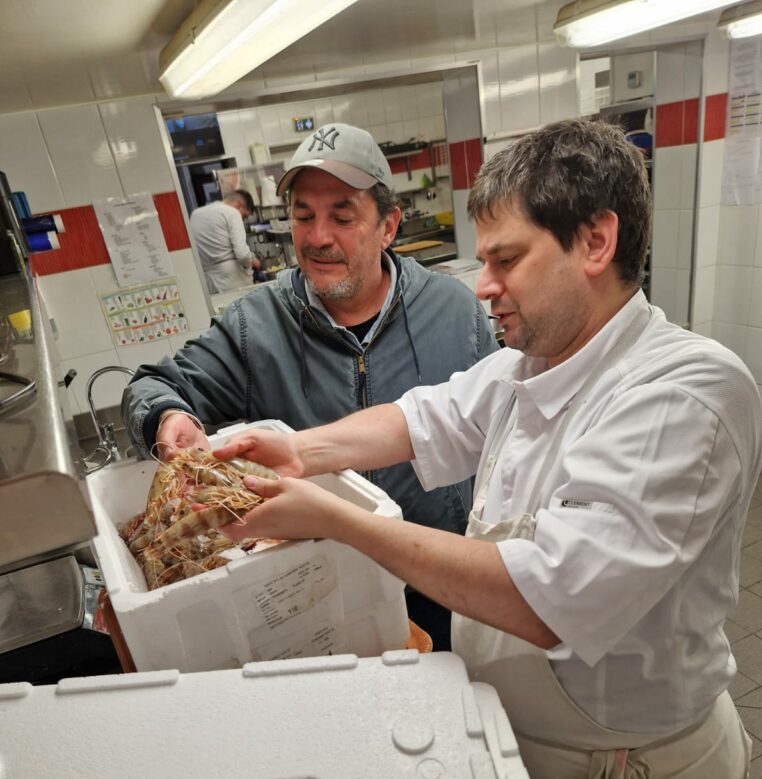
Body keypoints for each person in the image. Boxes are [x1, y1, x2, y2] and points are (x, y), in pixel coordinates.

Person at [206, 119, 762, 779]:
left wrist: (339, 520)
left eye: (505, 259)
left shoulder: (684, 393)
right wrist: (297, 451)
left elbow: (547, 598)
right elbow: (425, 419)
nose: (483, 286)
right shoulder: (533, 363)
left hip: (626, 777)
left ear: (596, 241)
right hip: (543, 745)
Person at [122, 123, 498, 649]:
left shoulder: (454, 311)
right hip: (318, 593)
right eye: (303, 216)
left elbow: (504, 430)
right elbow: (155, 384)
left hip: (442, 577)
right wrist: (168, 416)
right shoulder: (257, 326)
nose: (318, 237)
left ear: (388, 225)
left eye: (342, 217)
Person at [189, 189, 261, 293]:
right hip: (233, 282)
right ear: (239, 205)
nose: (243, 220)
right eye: (244, 216)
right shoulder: (232, 213)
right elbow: (242, 255)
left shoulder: (196, 214)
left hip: (209, 283)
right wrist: (253, 260)